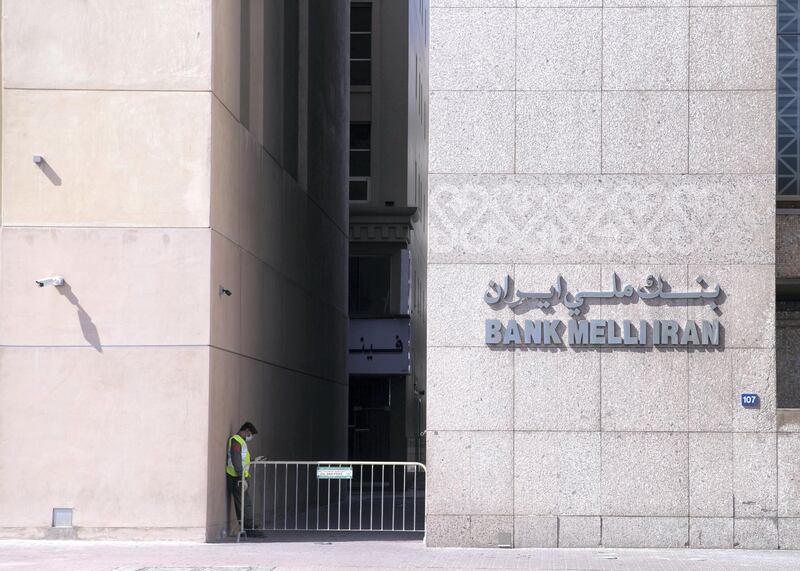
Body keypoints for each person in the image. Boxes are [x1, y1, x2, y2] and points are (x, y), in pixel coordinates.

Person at [226, 421, 258, 532]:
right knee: (242, 503)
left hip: (241, 476)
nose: (250, 438)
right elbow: (236, 459)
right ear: (247, 431)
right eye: (251, 435)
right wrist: (241, 477)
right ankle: (248, 528)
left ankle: (249, 526)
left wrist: (253, 460)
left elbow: (242, 459)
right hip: (236, 477)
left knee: (246, 503)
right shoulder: (236, 441)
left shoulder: (241, 442)